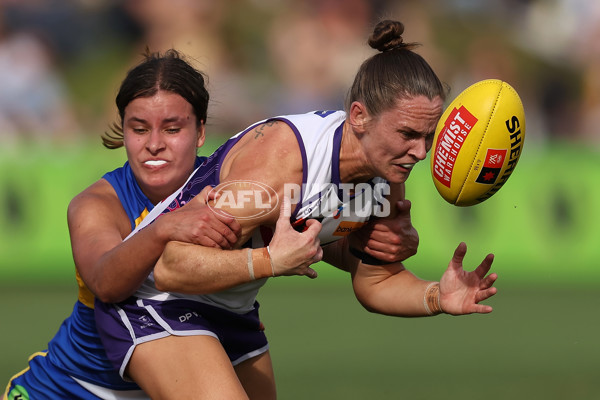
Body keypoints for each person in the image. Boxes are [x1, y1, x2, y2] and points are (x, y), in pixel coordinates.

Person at [94, 20, 498, 400]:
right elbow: (171, 266)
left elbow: (375, 283)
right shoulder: (281, 165)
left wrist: (435, 297)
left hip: (231, 308)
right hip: (155, 300)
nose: (420, 153)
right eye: (408, 134)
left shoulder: (386, 174)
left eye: (428, 136)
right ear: (359, 116)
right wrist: (270, 261)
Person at [3, 49, 327, 400]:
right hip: (68, 390)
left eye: (172, 129)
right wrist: (165, 227)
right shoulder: (97, 203)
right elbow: (106, 283)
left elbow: (312, 227)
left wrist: (366, 238)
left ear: (201, 131)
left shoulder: (235, 189)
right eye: (138, 129)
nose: (154, 145)